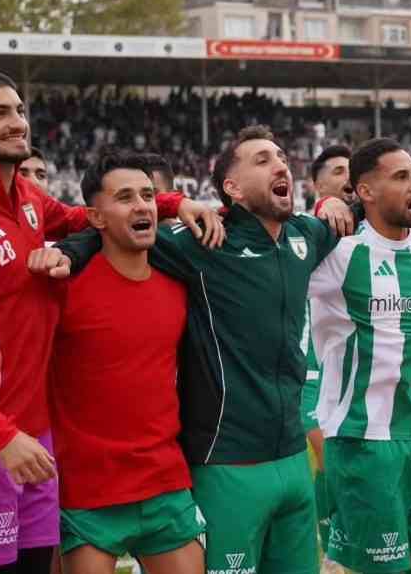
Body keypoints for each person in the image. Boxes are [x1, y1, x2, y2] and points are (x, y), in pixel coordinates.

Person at [0, 68, 216, 573]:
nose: (17, 122)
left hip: (38, 440)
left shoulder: (27, 199)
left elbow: (85, 217)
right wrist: (2, 436)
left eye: (19, 110)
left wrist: (174, 202)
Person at [54, 125, 361, 574]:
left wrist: (334, 203)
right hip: (226, 462)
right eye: (262, 160)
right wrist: (70, 250)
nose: (280, 165)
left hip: (294, 458)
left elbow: (374, 204)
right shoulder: (203, 240)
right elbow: (115, 230)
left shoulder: (305, 236)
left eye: (280, 156)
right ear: (231, 188)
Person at [47, 150, 205, 574]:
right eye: (125, 197)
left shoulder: (179, 285)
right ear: (95, 218)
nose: (142, 206)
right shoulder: (62, 286)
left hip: (164, 482)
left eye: (148, 196)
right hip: (86, 492)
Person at [309, 138, 411, 574]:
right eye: (400, 177)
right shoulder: (340, 252)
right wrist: (326, 206)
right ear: (365, 191)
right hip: (363, 438)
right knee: (381, 569)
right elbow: (277, 243)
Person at [302, 144, 356, 574]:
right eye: (337, 171)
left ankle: (339, 543)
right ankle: (333, 549)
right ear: (317, 184)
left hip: (349, 368)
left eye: (351, 170)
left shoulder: (366, 234)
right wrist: (326, 206)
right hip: (306, 371)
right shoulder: (304, 230)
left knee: (345, 461)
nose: (347, 176)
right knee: (331, 456)